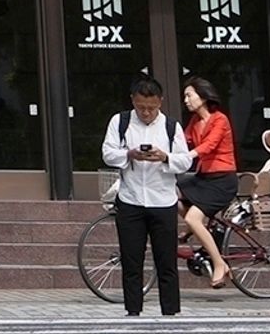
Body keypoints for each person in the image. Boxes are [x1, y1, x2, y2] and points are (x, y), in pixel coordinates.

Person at [102, 74, 188, 319]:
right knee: (131, 259)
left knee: (166, 261)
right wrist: (129, 154)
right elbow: (108, 153)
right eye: (141, 107)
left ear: (160, 102)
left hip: (163, 200)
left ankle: (170, 312)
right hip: (130, 200)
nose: (146, 112)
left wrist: (165, 157)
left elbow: (185, 161)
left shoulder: (171, 126)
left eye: (151, 108)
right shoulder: (120, 122)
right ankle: (133, 310)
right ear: (133, 101)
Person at [177, 74, 238, 287]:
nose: (186, 100)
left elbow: (209, 146)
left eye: (189, 95)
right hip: (204, 177)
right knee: (172, 193)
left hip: (222, 180)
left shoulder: (220, 119)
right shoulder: (194, 121)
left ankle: (219, 263)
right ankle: (197, 230)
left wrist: (189, 156)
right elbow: (183, 142)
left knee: (193, 218)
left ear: (202, 96)